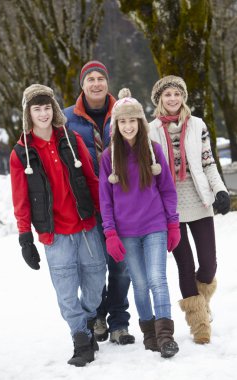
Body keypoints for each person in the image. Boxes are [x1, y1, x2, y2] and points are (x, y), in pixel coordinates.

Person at [10, 84, 106, 367]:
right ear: (29, 113)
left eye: (47, 107)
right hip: (55, 234)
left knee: (96, 283)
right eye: (37, 109)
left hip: (86, 225)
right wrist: (25, 237)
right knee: (66, 292)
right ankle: (80, 338)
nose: (43, 113)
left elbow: (92, 180)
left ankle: (88, 319)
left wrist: (107, 219)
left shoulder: (71, 139)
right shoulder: (21, 153)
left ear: (54, 109)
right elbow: (21, 199)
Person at [99, 88, 180, 358]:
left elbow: (168, 190)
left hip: (155, 226)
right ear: (115, 126)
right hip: (126, 232)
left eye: (132, 120)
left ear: (140, 123)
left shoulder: (153, 151)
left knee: (158, 279)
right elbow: (105, 200)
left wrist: (173, 224)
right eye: (122, 121)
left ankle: (166, 335)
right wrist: (110, 233)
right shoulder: (108, 158)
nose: (128, 126)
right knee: (140, 283)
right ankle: (149, 333)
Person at [149, 75, 231, 344]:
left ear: (183, 97)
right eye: (167, 94)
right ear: (159, 99)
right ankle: (200, 325)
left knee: (208, 263)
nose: (173, 98)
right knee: (186, 265)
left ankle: (201, 304)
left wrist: (220, 190)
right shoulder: (150, 130)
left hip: (199, 200)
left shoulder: (197, 125)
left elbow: (208, 162)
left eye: (177, 94)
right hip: (168, 207)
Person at [63, 61, 135, 345]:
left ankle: (119, 322)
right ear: (82, 84)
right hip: (88, 205)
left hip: (124, 205)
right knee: (94, 268)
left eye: (100, 78)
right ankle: (96, 317)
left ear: (108, 82)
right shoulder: (67, 118)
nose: (96, 84)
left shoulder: (124, 112)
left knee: (121, 266)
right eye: (90, 79)